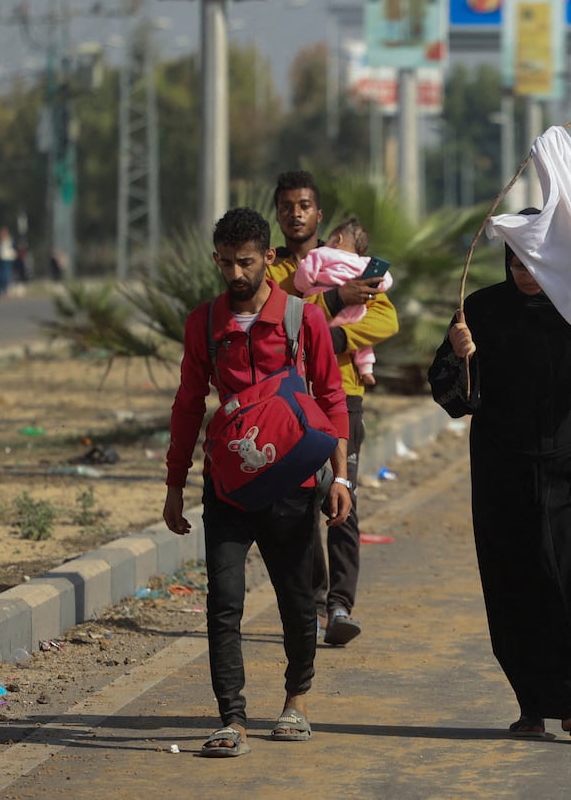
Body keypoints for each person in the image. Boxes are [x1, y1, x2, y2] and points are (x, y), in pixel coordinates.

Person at [162, 207, 352, 758]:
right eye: (225, 263)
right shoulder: (203, 323)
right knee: (223, 600)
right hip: (225, 484)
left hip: (292, 482)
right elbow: (187, 404)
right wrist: (175, 484)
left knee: (296, 598)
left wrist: (341, 477)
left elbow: (331, 398)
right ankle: (232, 718)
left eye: (245, 262)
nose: (235, 274)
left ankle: (297, 701)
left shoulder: (303, 319)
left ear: (269, 258)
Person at [427, 236, 571, 741]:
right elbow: (451, 395)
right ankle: (531, 703)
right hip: (503, 473)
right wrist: (460, 358)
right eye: (516, 263)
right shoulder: (481, 308)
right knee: (514, 584)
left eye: (534, 263)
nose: (524, 273)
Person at [266, 170, 399, 648]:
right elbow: (278, 320)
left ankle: (341, 605)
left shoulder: (350, 261)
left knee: (343, 499)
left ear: (319, 214)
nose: (295, 213)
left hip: (343, 398)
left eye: (304, 205)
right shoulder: (272, 269)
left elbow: (386, 316)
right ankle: (317, 601)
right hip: (289, 403)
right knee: (300, 506)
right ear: (278, 213)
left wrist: (332, 336)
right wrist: (336, 301)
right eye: (286, 206)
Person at [293, 218, 394, 387]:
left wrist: (306, 287)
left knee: (321, 333)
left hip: (325, 305)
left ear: (337, 239)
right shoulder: (364, 262)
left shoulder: (320, 253)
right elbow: (386, 281)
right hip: (355, 312)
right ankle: (366, 369)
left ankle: (325, 364)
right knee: (361, 339)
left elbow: (303, 279)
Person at [0, 226, 16, 298]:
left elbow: (15, 249)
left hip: (7, 260)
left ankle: (6, 291)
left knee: (5, 276)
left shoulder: (10, 241)